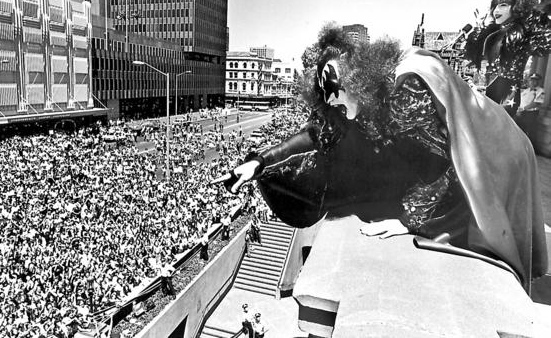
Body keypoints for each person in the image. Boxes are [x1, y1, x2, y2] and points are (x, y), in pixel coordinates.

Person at [213, 27, 547, 293]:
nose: (334, 105)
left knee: (489, 234)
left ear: (357, 79)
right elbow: (319, 134)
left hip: (498, 152)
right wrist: (258, 161)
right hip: (459, 152)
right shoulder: (360, 98)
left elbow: (446, 164)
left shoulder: (406, 90)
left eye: (337, 94)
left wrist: (408, 221)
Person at [463, 0, 551, 116]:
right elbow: (477, 58)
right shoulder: (492, 35)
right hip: (487, 88)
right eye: (495, 6)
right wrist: (479, 31)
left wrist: (537, 19)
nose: (496, 10)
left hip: (507, 91)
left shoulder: (523, 34)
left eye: (503, 5)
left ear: (517, 7)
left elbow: (544, 42)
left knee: (497, 126)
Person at [516, 73, 546, 142]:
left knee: (530, 132)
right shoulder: (525, 91)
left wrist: (523, 109)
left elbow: (536, 103)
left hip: (531, 114)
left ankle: (531, 150)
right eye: (531, 80)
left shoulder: (540, 91)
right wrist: (519, 110)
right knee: (519, 130)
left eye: (535, 80)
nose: (532, 82)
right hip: (521, 113)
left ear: (538, 81)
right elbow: (520, 101)